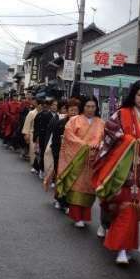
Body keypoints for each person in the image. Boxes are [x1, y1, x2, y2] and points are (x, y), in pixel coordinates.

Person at [93, 80, 140, 266]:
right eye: (139, 95)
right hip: (121, 169)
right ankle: (122, 247)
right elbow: (110, 130)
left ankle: (123, 247)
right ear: (133, 95)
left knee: (132, 208)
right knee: (124, 205)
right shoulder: (121, 114)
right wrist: (129, 140)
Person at [56, 96, 105, 227]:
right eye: (88, 106)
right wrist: (85, 146)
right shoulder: (74, 120)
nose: (90, 109)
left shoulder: (101, 123)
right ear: (83, 107)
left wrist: (98, 146)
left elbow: (104, 139)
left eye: (93, 107)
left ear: (96, 107)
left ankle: (85, 215)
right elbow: (69, 137)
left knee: (89, 188)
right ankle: (77, 216)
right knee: (77, 186)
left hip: (93, 161)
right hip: (77, 159)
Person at [52, 98, 81, 209]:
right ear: (67, 111)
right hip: (61, 155)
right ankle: (59, 199)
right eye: (71, 110)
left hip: (75, 157)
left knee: (72, 181)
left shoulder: (81, 125)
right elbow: (55, 141)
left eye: (75, 110)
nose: (73, 112)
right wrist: (56, 155)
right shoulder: (60, 123)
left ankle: (69, 202)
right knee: (61, 178)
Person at [34, 98, 58, 179]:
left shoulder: (58, 116)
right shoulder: (45, 115)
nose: (55, 107)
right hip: (44, 137)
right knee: (44, 154)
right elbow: (41, 128)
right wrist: (38, 138)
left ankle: (51, 174)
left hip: (55, 138)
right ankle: (41, 169)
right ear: (50, 106)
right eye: (53, 105)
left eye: (56, 105)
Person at [22, 96, 42, 171]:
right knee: (33, 150)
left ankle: (37, 166)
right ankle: (33, 165)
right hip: (32, 133)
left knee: (39, 150)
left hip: (40, 134)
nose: (41, 106)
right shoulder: (31, 113)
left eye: (42, 105)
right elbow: (27, 124)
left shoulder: (44, 113)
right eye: (39, 104)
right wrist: (26, 134)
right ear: (37, 105)